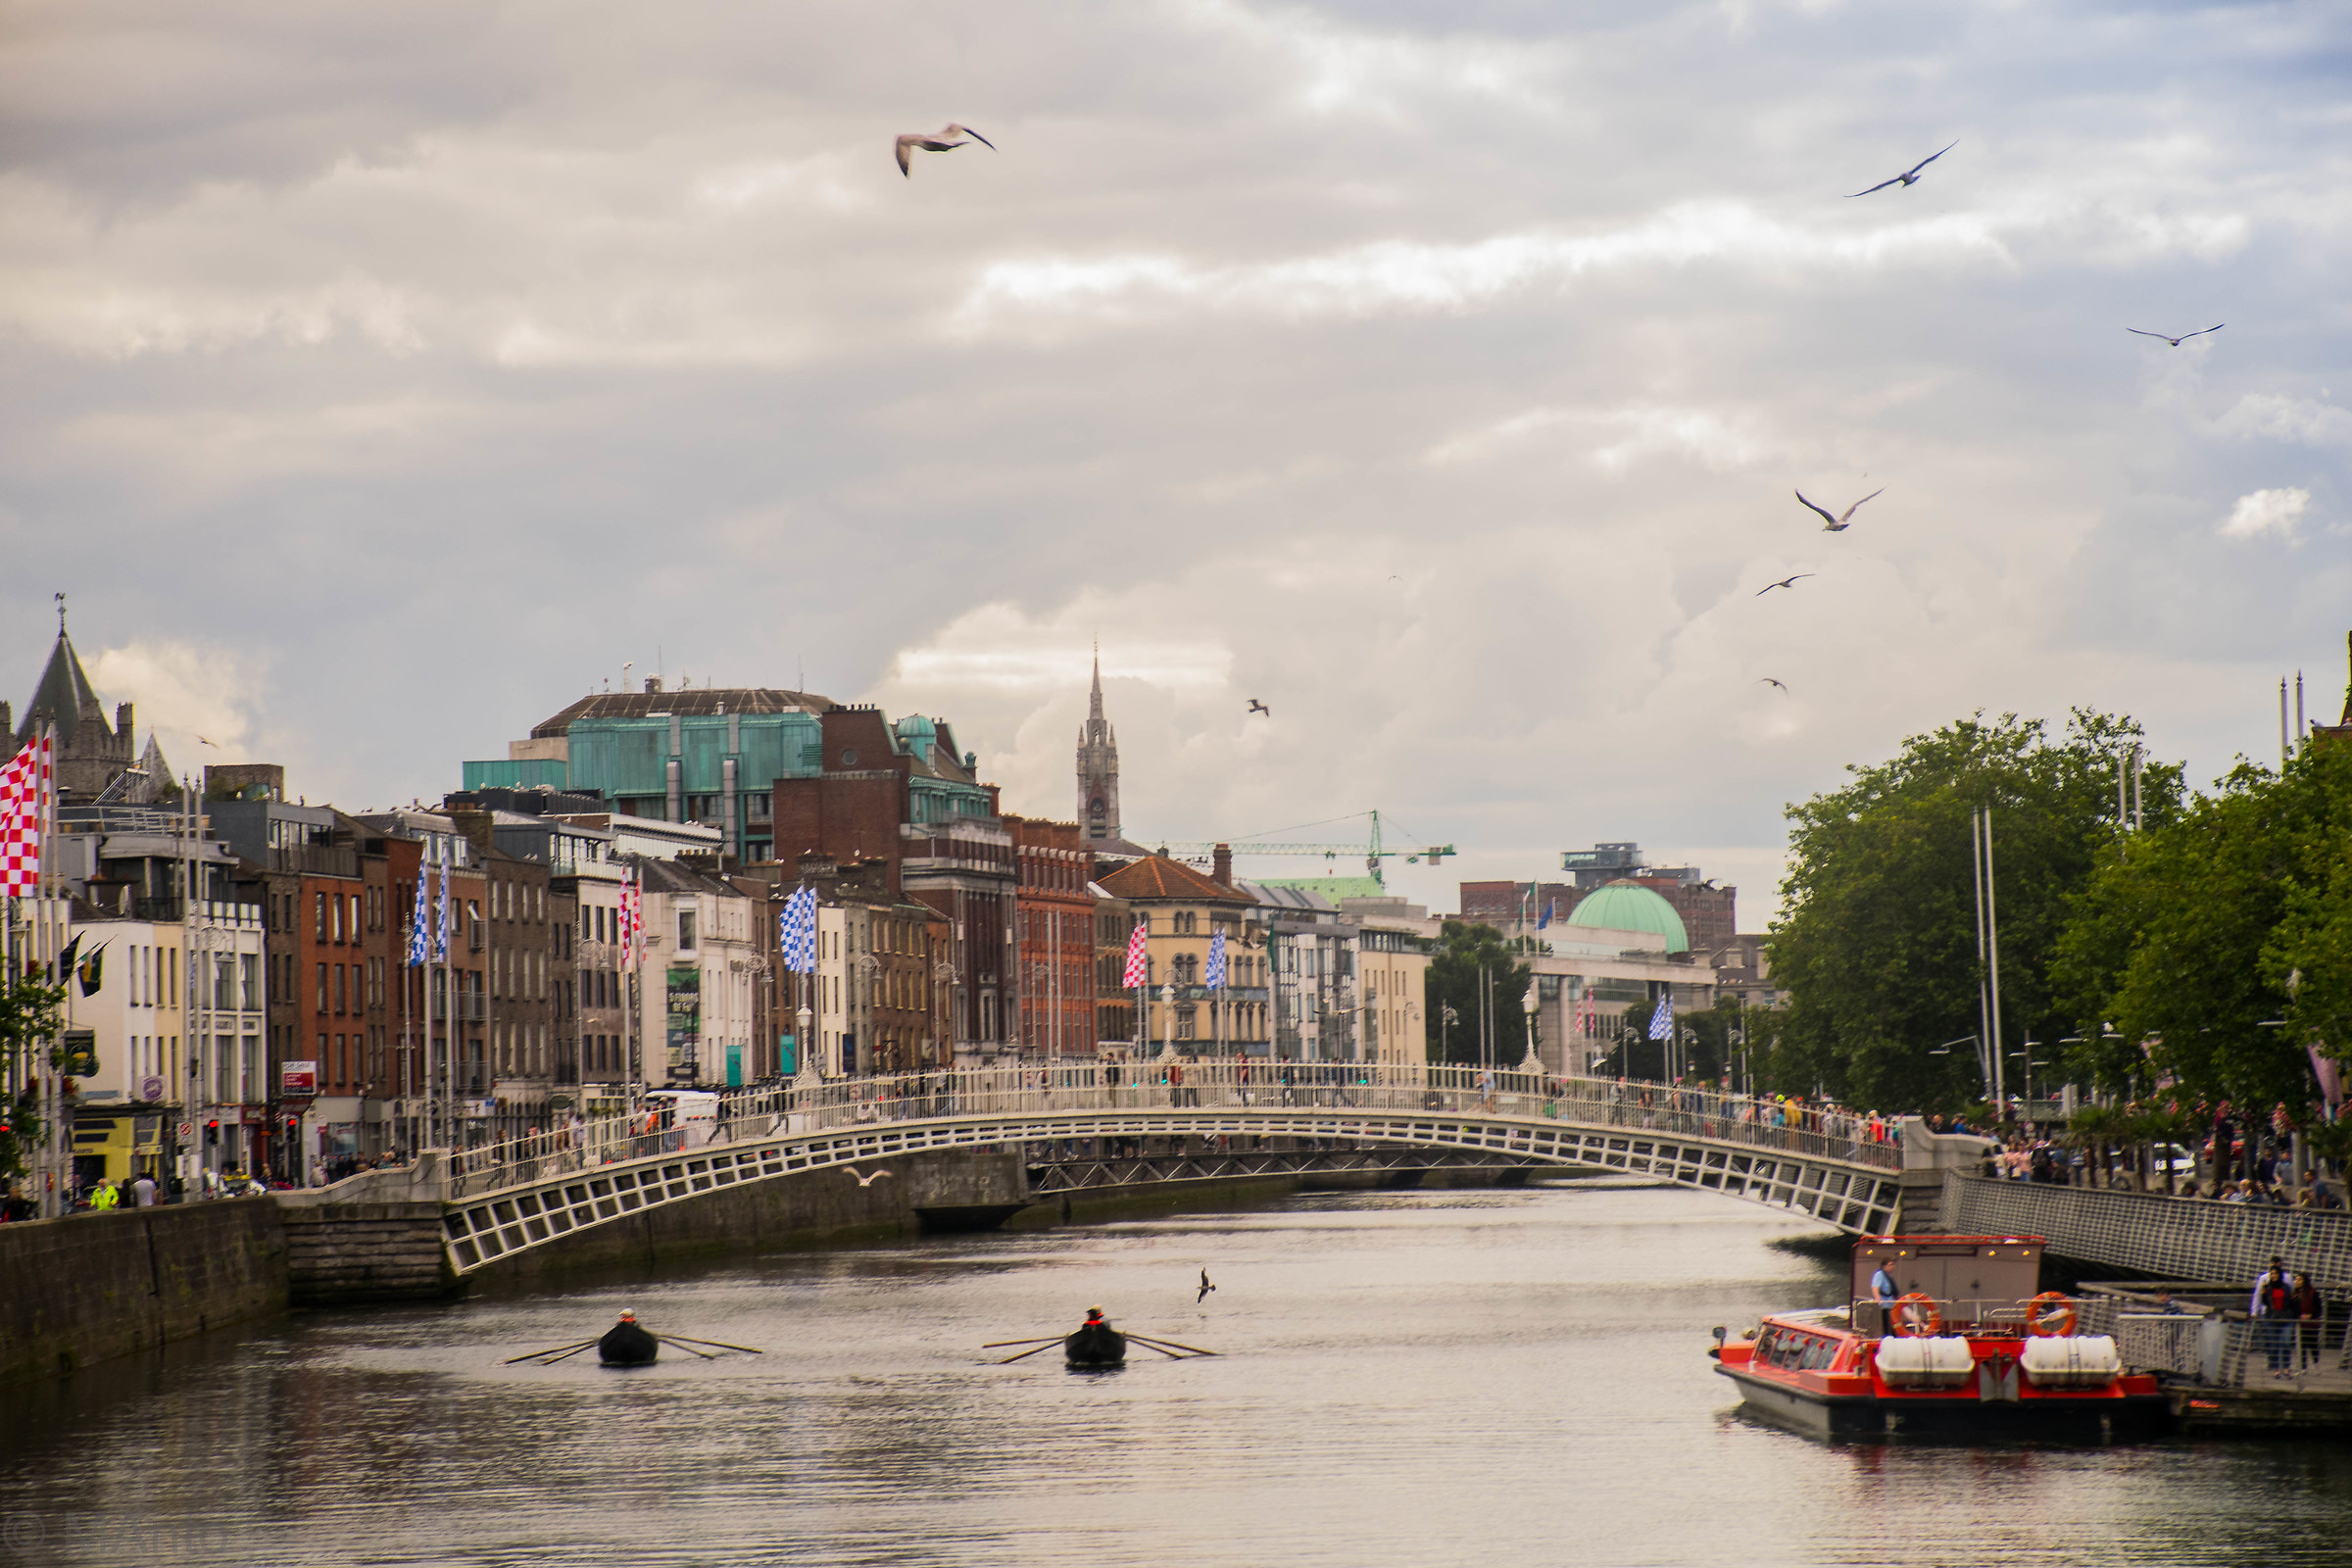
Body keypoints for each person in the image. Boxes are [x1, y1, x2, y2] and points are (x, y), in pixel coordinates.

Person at [2252, 1259, 2296, 1376]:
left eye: (2276, 1273)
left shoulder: (2286, 1284)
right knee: (2273, 1342)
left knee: (2285, 1341)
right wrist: (2256, 1309)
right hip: (2271, 1316)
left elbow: (2292, 1299)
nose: (2274, 1275)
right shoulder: (2266, 1285)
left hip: (2286, 1316)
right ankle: (2276, 1367)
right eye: (2272, 1273)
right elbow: (2263, 1300)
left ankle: (2286, 1366)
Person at [2294, 1271, 2325, 1369]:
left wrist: (2310, 1316)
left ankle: (2316, 1362)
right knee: (2301, 1345)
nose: (2297, 1281)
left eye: (2300, 1279)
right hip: (2300, 1323)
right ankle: (2303, 1367)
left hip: (2312, 1323)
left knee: (2312, 1343)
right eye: (2296, 1279)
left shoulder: (2313, 1292)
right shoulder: (2295, 1293)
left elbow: (2319, 1308)